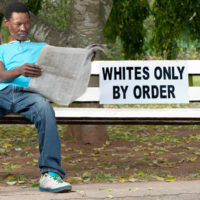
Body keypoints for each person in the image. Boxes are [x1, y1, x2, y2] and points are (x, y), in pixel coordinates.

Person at [0, 1, 72, 193]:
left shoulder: (43, 47)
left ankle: (50, 174)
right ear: (6, 22)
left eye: (26, 23)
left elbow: (63, 68)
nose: (23, 28)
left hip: (30, 95)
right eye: (18, 24)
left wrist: (83, 60)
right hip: (3, 92)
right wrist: (19, 70)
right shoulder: (2, 49)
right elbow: (1, 75)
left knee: (45, 110)